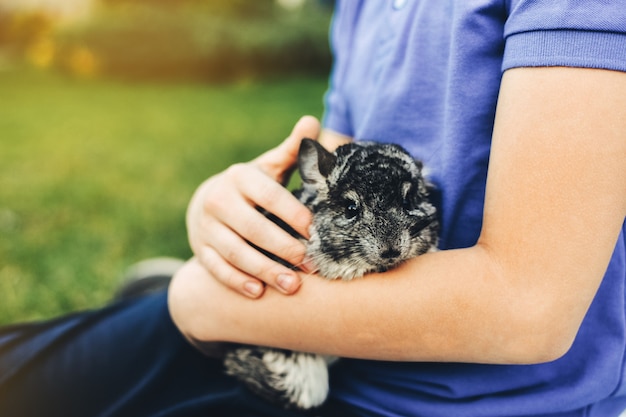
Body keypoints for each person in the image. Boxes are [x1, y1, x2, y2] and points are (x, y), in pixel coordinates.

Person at [1, 1, 625, 416]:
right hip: (298, 323)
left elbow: (527, 308)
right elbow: (338, 159)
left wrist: (202, 300)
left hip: (447, 401)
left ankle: (163, 291)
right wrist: (222, 207)